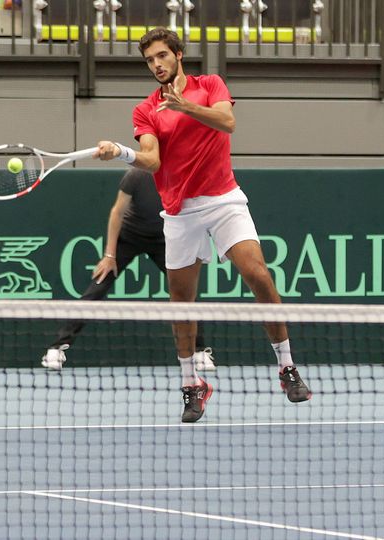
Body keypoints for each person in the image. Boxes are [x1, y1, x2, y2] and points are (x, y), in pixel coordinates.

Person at [95, 27, 311, 423]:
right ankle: (192, 384)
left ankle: (287, 367)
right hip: (180, 211)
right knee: (181, 303)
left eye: (162, 56)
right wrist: (121, 152)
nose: (156, 65)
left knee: (258, 274)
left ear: (178, 54)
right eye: (149, 60)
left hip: (224, 199)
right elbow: (151, 160)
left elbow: (226, 122)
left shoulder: (209, 84)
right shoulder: (144, 110)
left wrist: (184, 107)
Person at [42, 168, 215, 373]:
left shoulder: (181, 173)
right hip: (130, 236)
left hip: (164, 238)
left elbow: (194, 210)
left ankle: (199, 352)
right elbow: (117, 211)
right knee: (97, 288)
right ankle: (57, 348)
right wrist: (109, 256)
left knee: (186, 293)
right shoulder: (136, 176)